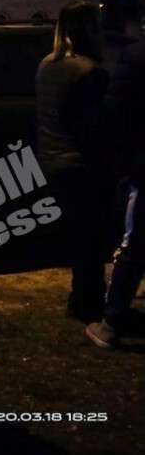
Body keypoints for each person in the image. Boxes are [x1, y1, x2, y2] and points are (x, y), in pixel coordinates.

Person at [35, 0, 112, 322]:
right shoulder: (89, 72)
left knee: (80, 236)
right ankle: (87, 303)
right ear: (88, 30)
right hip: (80, 164)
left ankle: (82, 300)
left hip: (52, 161)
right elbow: (93, 128)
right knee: (92, 239)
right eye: (97, 25)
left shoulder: (46, 65)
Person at [86, 24, 145, 347]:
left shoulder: (135, 57)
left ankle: (113, 321)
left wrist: (123, 161)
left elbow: (115, 113)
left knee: (135, 244)